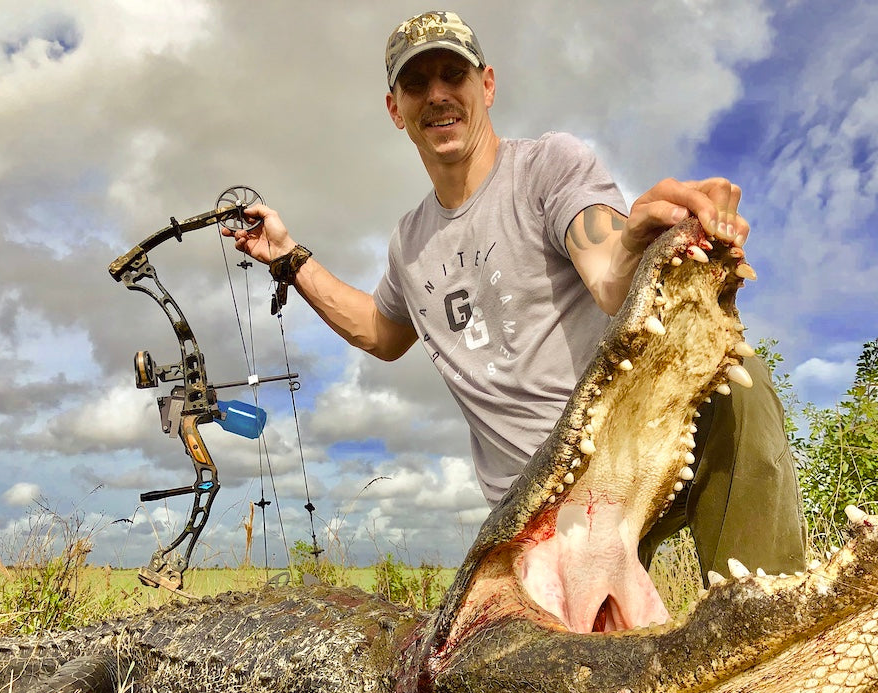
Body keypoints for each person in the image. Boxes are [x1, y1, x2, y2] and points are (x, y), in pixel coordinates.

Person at [223, 11, 805, 579]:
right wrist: (287, 256)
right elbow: (379, 332)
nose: (437, 95)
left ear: (488, 84)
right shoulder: (408, 241)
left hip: (629, 452)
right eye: (416, 83)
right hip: (532, 506)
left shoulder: (549, 167)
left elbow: (605, 269)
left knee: (737, 388)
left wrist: (633, 243)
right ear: (395, 109)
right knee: (573, 670)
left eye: (454, 75)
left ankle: (776, 633)